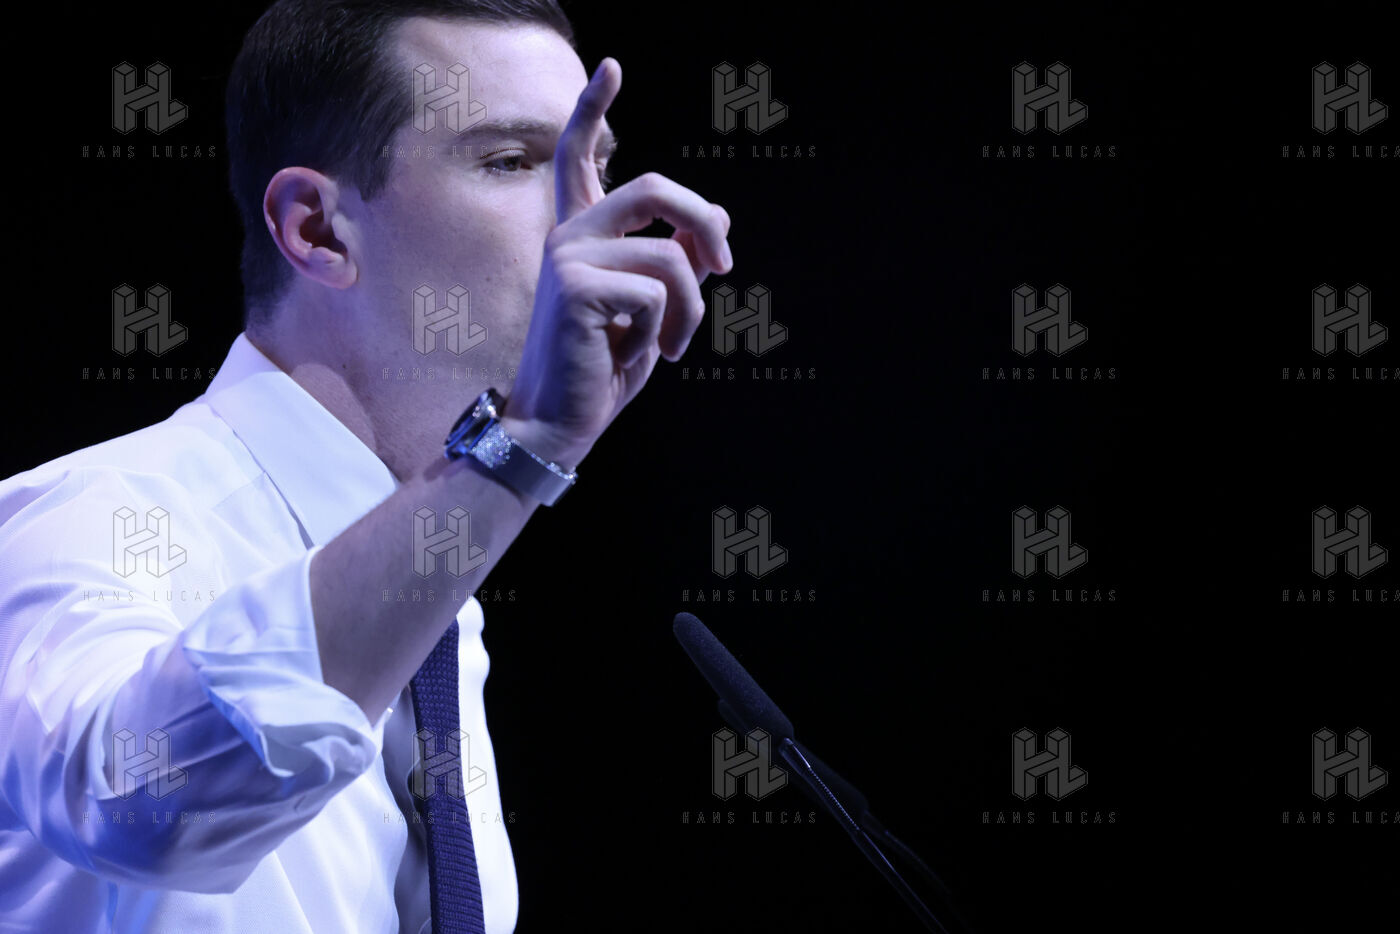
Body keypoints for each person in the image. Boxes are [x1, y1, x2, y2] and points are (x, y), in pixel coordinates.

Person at [0, 1, 732, 931]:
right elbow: (138, 802)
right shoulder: (81, 518)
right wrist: (523, 443)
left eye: (597, 166)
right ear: (318, 230)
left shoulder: (440, 618)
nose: (591, 220)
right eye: (512, 162)